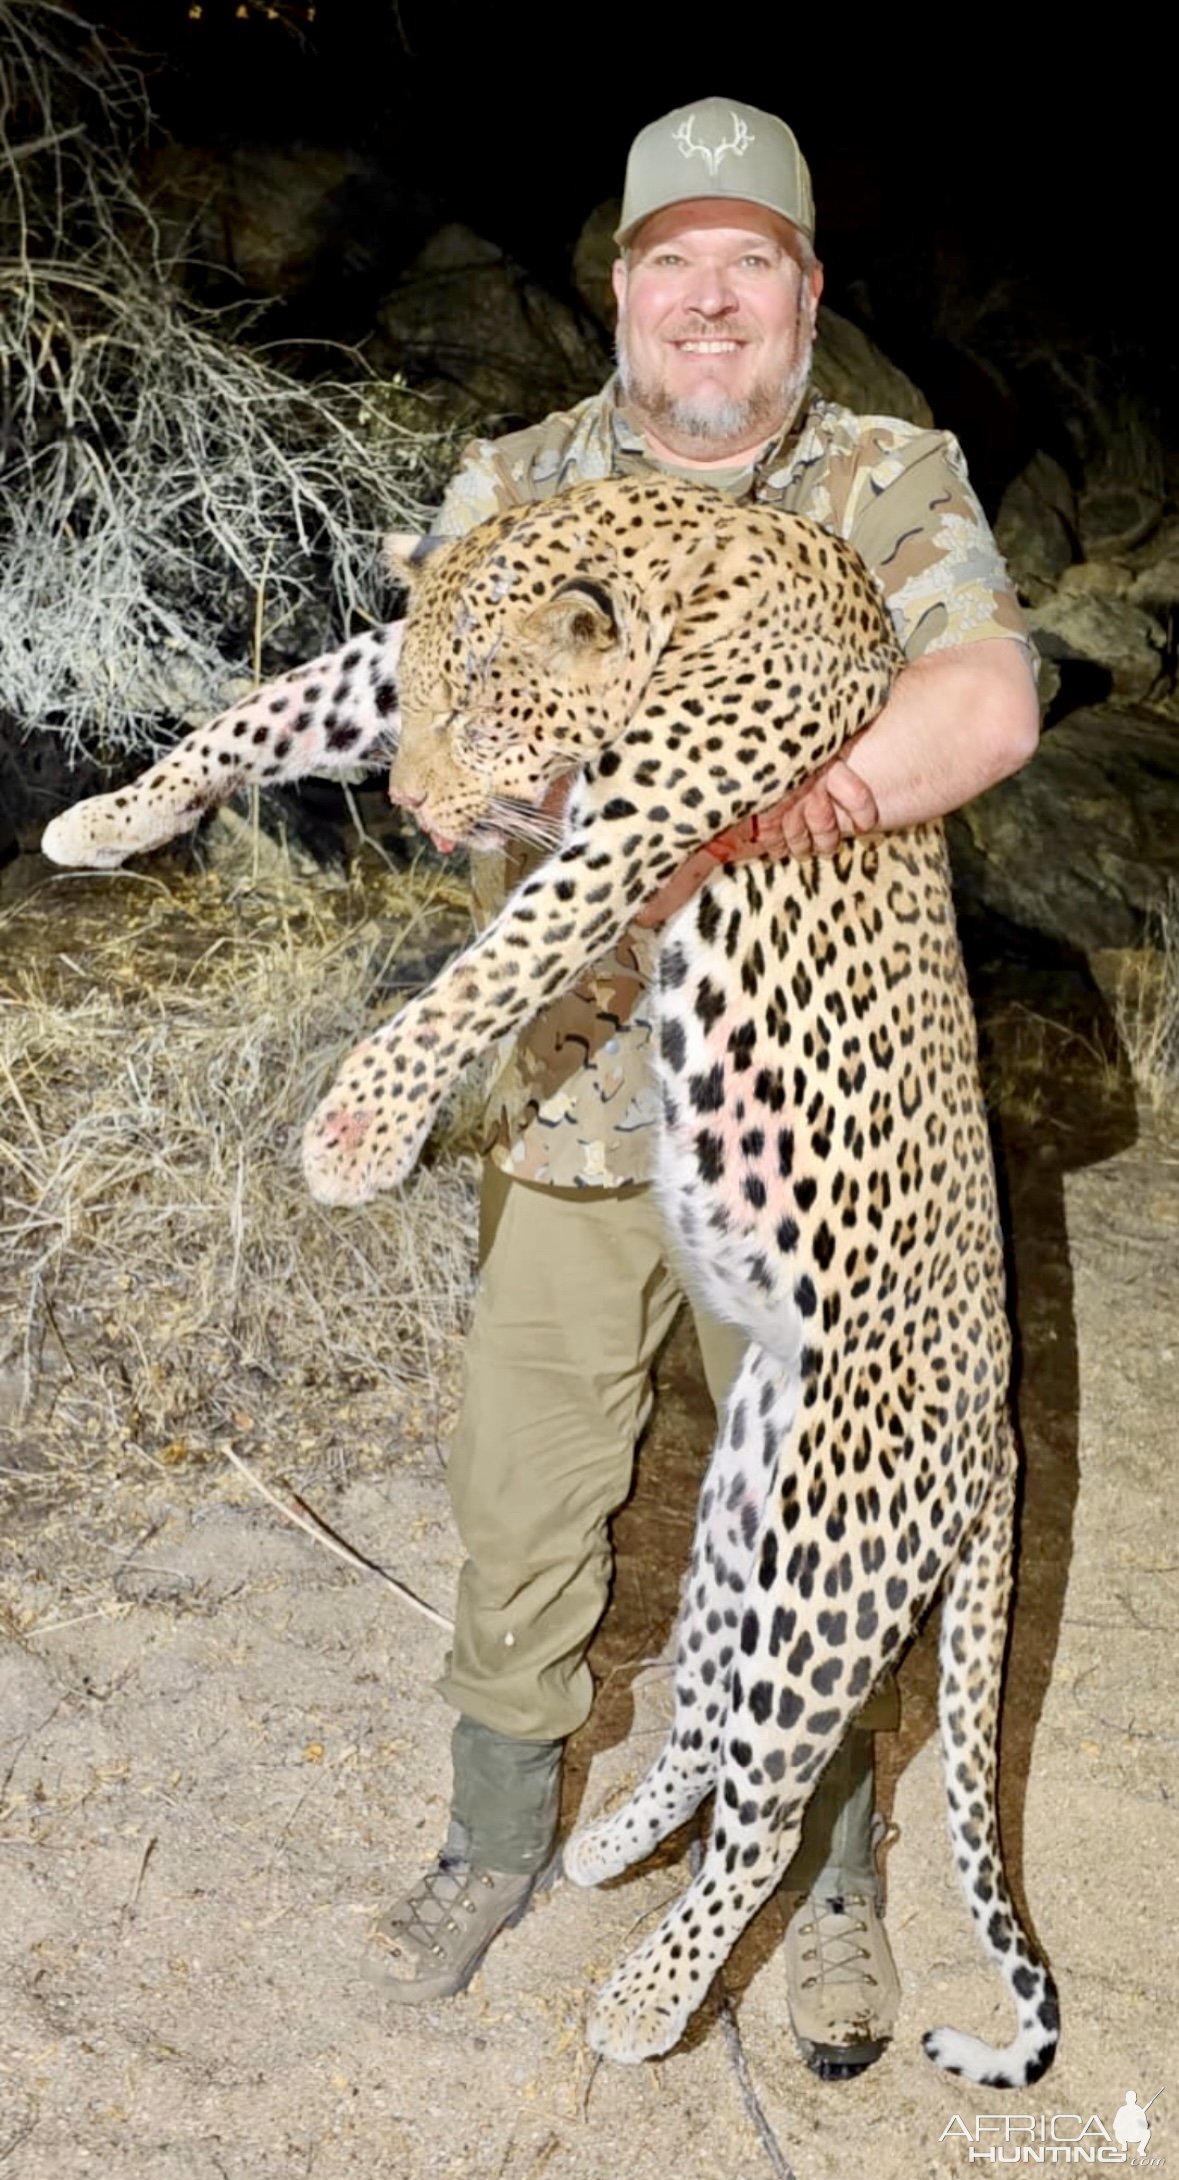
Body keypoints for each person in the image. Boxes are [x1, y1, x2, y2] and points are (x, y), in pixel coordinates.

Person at [363, 96, 1040, 2079]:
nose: (712, 304)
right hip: (576, 1099)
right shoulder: (517, 480)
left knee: (811, 1528)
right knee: (527, 1495)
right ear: (620, 296)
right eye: (676, 267)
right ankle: (494, 1837)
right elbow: (443, 749)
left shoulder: (879, 469)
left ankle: (825, 1877)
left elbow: (984, 699)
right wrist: (467, 795)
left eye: (752, 266)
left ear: (807, 293)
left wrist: (755, 811)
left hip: (821, 1136)